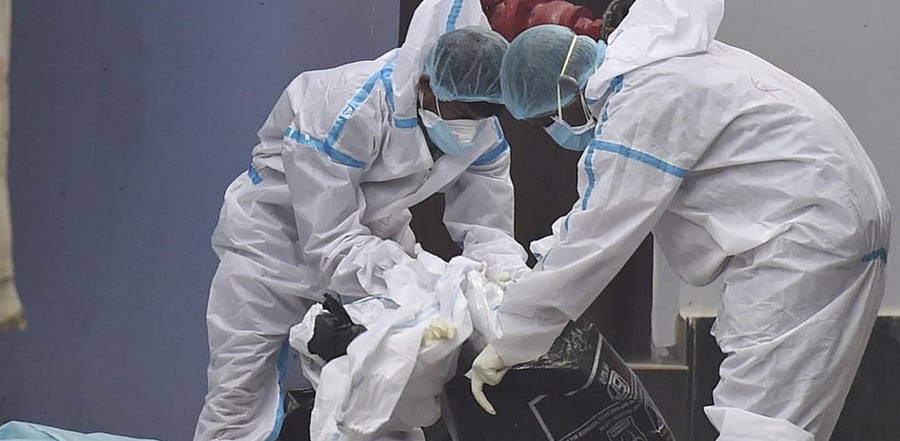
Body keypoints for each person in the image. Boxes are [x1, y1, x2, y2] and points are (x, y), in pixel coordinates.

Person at [468, 1, 890, 440]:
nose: (558, 129)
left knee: (760, 422)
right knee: (790, 418)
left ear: (563, 93)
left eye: (547, 119)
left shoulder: (642, 99)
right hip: (838, 219)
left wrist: (515, 332)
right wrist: (538, 277)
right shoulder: (673, 64)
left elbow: (599, 230)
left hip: (801, 237)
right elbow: (600, 213)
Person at [193, 1, 527, 440]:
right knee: (238, 401)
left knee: (385, 401)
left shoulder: (480, 128)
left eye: (486, 111)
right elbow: (329, 241)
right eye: (463, 111)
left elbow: (490, 232)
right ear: (427, 84)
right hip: (272, 252)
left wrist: (506, 294)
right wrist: (416, 281)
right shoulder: (347, 105)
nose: (472, 126)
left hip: (374, 245)